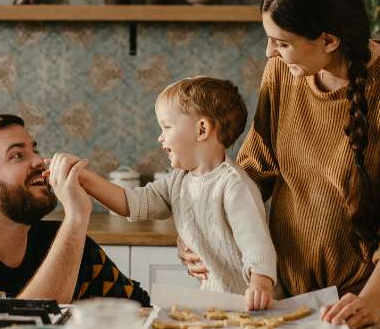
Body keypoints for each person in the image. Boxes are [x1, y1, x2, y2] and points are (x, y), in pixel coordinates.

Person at [179, 0, 380, 329]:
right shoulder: (282, 72)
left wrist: (371, 300)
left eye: (282, 42)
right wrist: (201, 231)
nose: (269, 53)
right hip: (288, 296)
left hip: (374, 304)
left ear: (329, 40)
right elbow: (255, 169)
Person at [0, 114, 150, 306]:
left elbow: (141, 310)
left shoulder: (74, 247)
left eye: (35, 150)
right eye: (17, 155)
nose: (40, 161)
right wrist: (75, 218)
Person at [79, 76, 278, 311]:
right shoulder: (179, 179)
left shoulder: (234, 186)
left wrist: (260, 285)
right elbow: (133, 203)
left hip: (247, 303)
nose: (160, 137)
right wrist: (83, 178)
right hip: (214, 301)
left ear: (201, 129)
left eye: (166, 127)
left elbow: (258, 246)